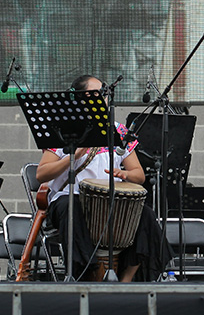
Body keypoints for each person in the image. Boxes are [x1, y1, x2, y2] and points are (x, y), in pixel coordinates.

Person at [36, 75, 170, 282]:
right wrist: (74, 156)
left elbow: (139, 175)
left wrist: (124, 174)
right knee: (69, 207)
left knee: (146, 214)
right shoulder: (64, 129)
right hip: (72, 198)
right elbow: (41, 174)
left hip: (111, 201)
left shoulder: (118, 130)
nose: (104, 98)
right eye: (98, 93)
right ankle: (88, 273)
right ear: (81, 98)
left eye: (105, 94)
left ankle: (127, 280)